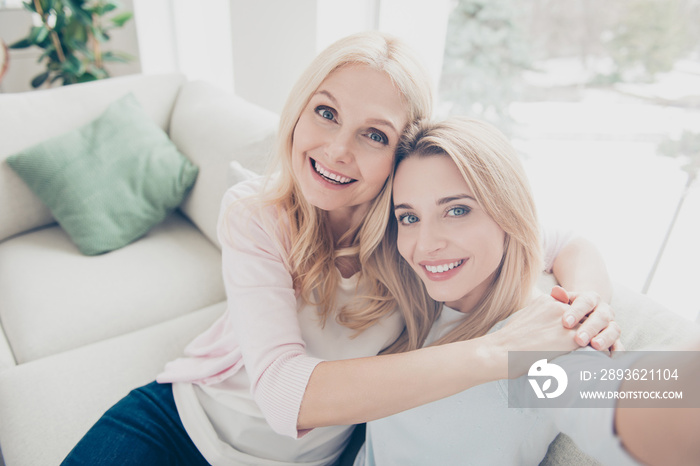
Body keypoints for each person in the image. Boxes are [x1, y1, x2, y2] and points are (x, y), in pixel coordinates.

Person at [61, 32, 619, 466]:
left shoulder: (418, 236)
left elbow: (565, 242)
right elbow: (284, 396)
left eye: (373, 135)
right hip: (181, 423)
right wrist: (494, 358)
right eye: (326, 113)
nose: (336, 150)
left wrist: (591, 306)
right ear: (300, 111)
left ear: (400, 154)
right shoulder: (255, 212)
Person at [357, 117, 700, 466]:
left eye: (457, 210)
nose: (425, 245)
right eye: (409, 218)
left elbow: (645, 415)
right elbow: (569, 242)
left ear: (508, 214)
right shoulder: (408, 296)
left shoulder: (539, 343)